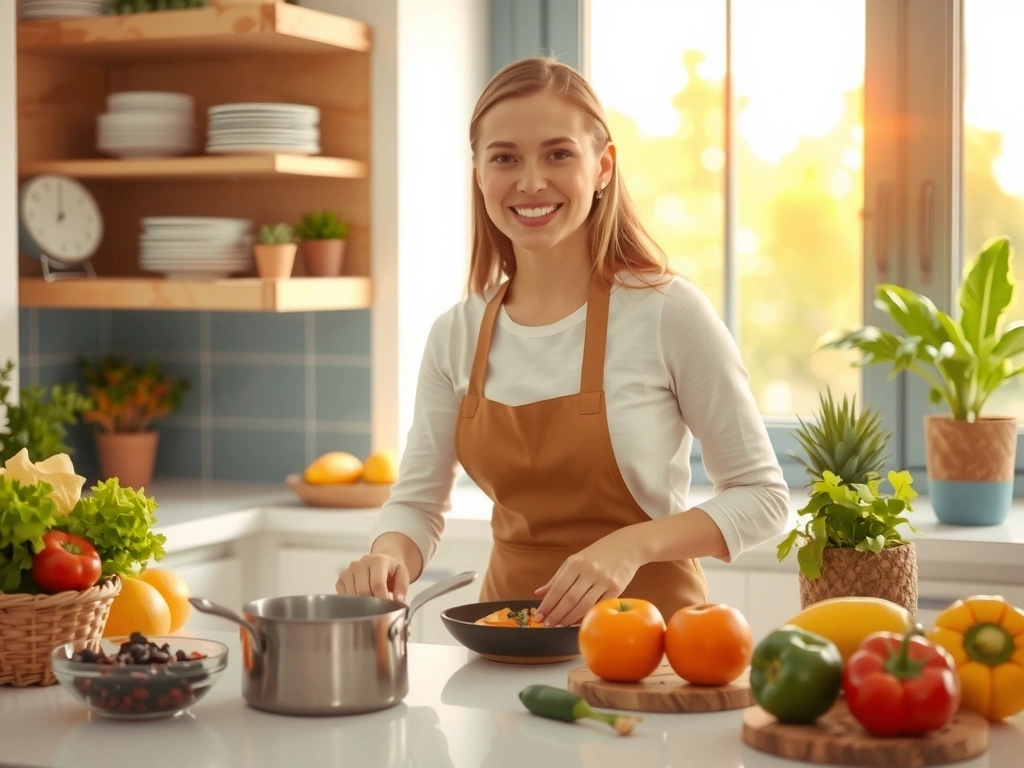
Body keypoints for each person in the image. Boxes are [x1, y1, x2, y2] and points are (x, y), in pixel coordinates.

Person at [335, 56, 789, 629]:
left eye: (558, 154)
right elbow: (417, 505)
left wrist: (631, 545)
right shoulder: (457, 333)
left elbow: (762, 497)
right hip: (506, 642)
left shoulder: (666, 312)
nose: (530, 182)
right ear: (478, 173)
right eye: (505, 158)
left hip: (654, 645)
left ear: (603, 167)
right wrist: (387, 557)